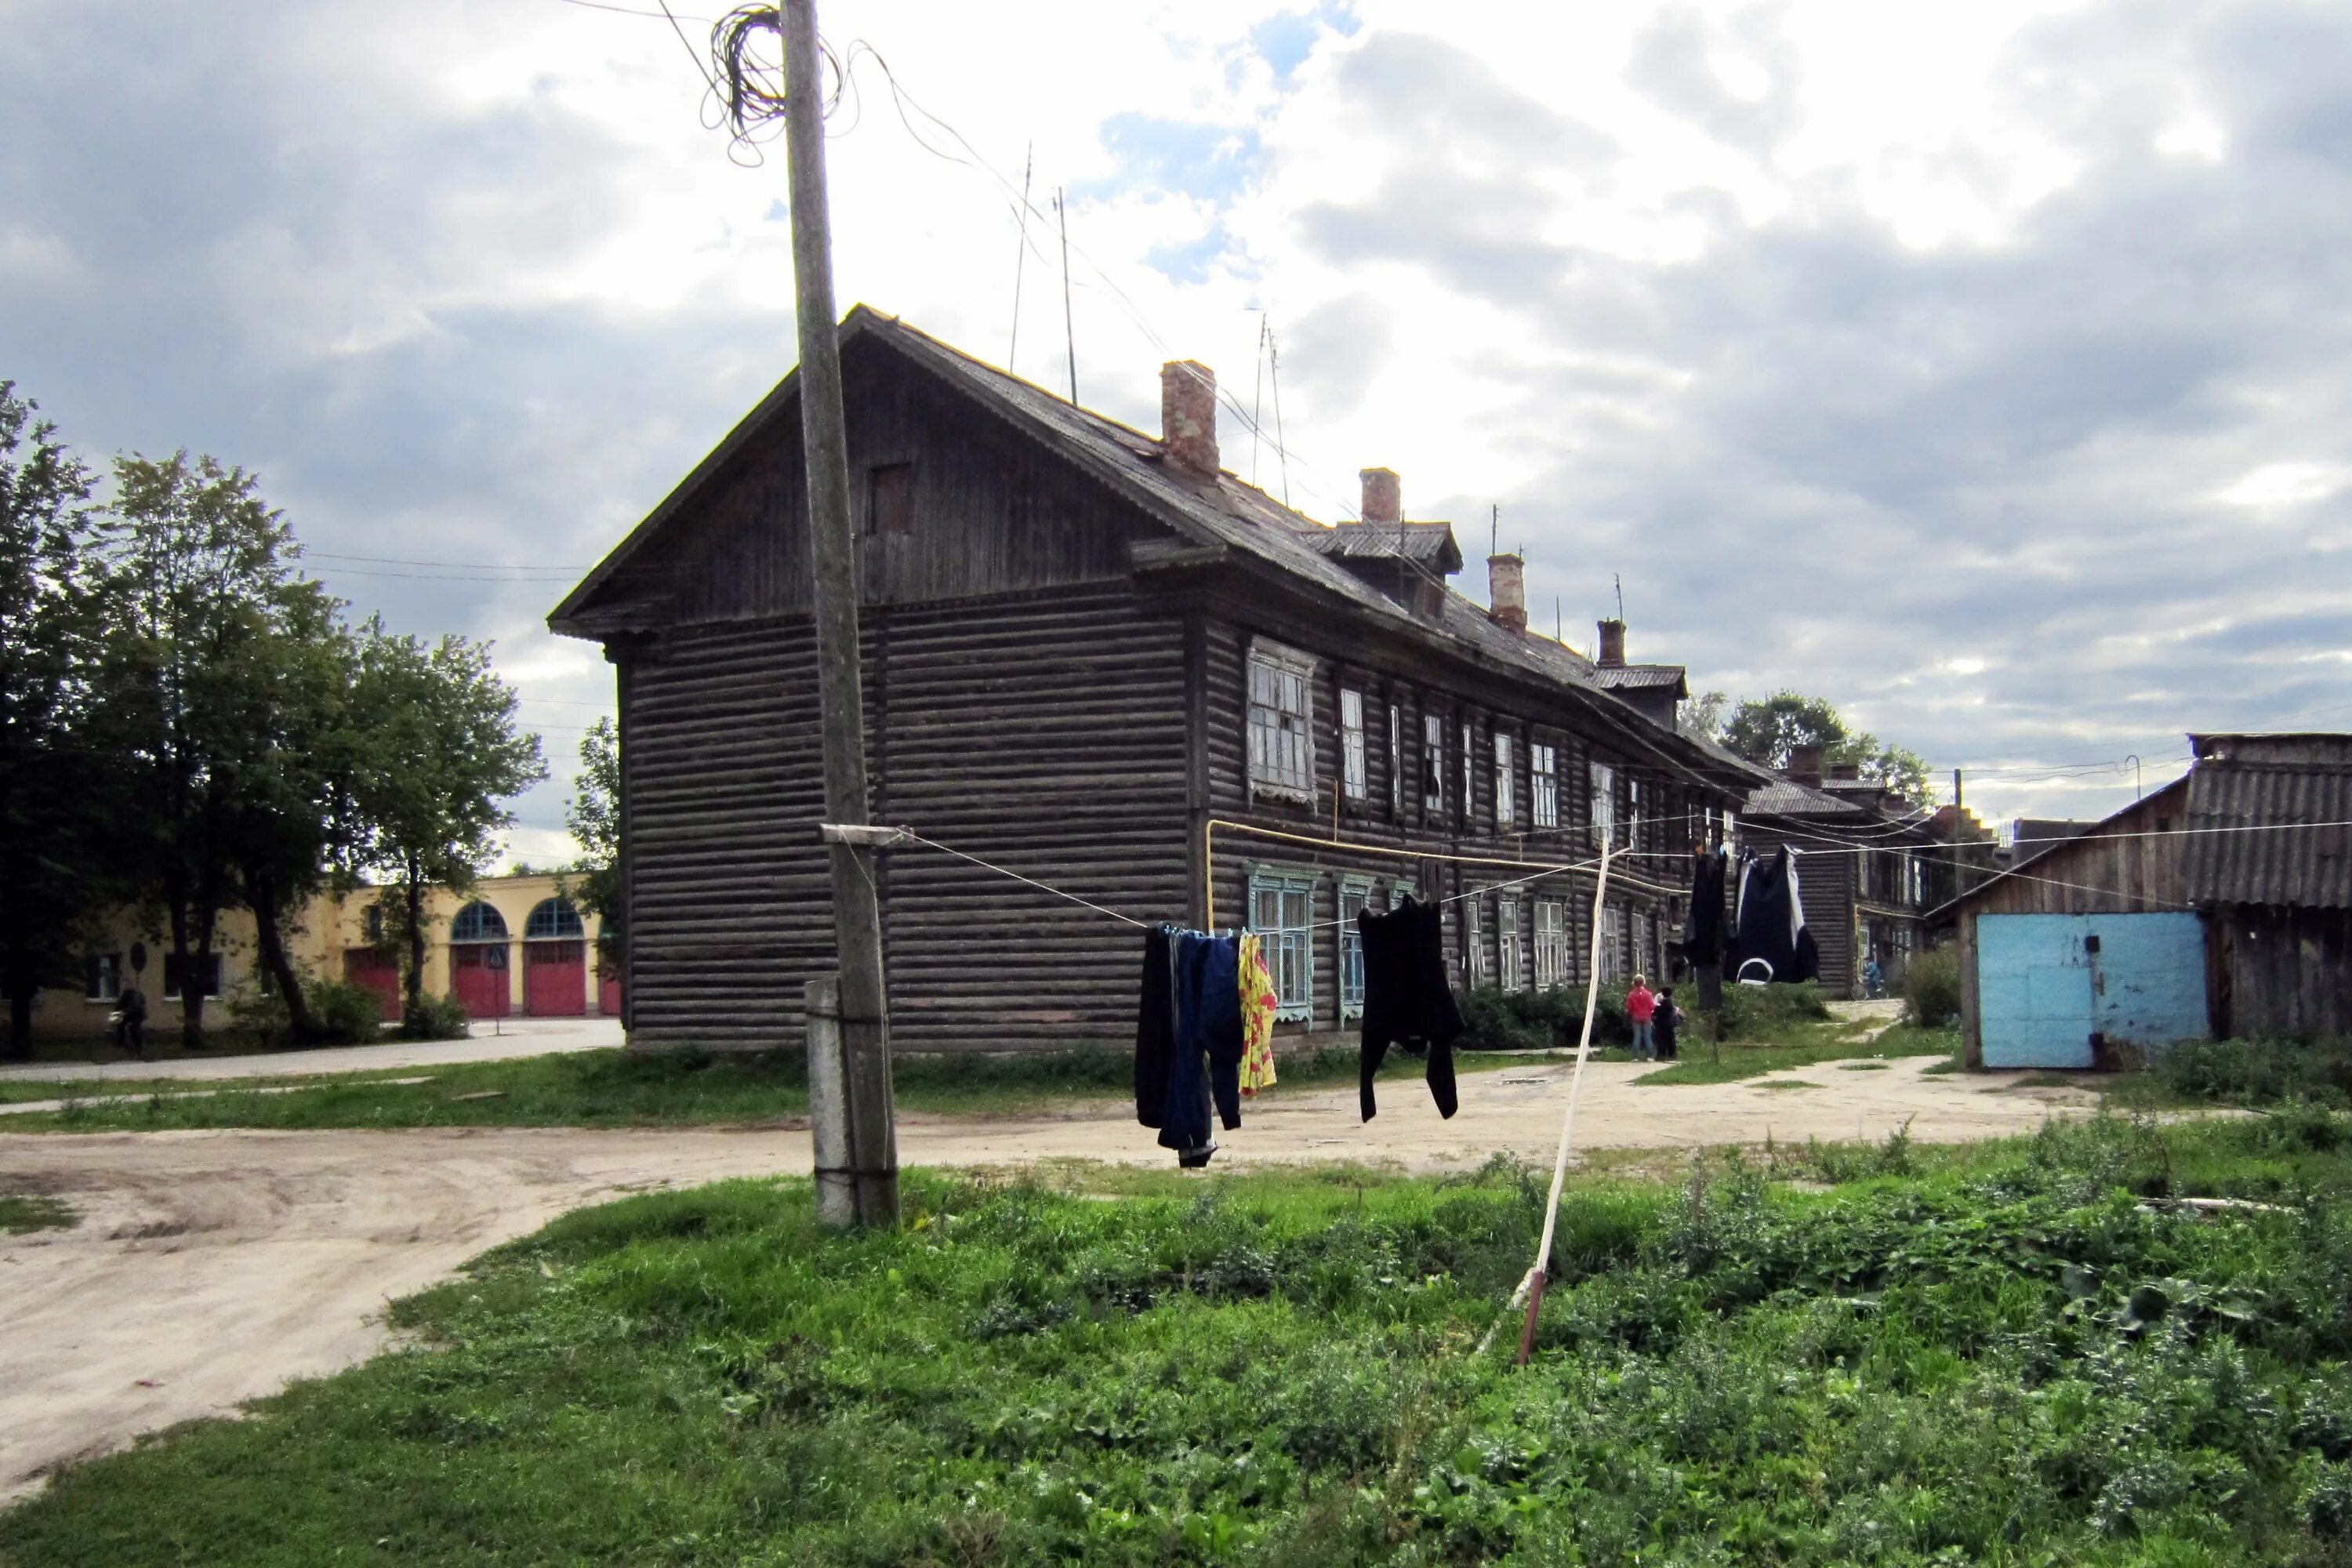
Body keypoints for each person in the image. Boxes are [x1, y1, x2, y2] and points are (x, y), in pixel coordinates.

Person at [1626, 974, 1657, 1061]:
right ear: (1644, 982)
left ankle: (1636, 1057)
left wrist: (1631, 1013)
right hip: (1647, 1017)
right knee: (1648, 1036)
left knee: (1637, 1036)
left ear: (1634, 983)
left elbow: (1629, 1008)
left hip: (1636, 1017)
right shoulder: (1648, 994)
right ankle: (1649, 1056)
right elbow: (1652, 1007)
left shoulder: (1631, 994)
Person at [115, 981, 147, 1057]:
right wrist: (115, 1012)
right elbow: (120, 1004)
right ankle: (123, 1043)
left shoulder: (135, 994)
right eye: (123, 985)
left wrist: (125, 1012)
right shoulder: (125, 994)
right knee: (120, 1024)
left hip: (138, 1015)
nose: (124, 986)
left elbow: (134, 1005)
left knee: (133, 1029)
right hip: (129, 1015)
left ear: (130, 985)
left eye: (126, 985)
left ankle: (139, 1047)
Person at [1654, 986, 1679, 1062]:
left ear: (1662, 994)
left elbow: (1655, 1012)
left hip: (1661, 1024)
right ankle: (1672, 1054)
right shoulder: (1671, 1004)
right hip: (1669, 1024)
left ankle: (1661, 1054)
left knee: (1661, 1040)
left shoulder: (1661, 1004)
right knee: (1670, 1040)